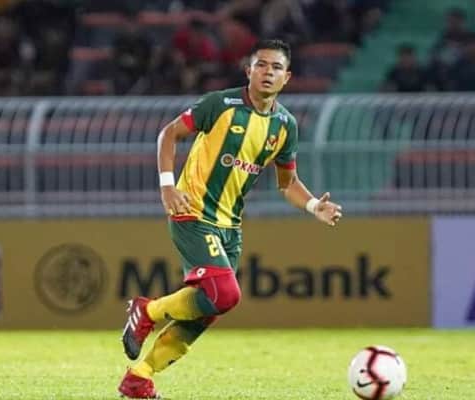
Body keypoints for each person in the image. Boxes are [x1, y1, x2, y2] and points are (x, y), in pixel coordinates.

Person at [117, 39, 343, 399]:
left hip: (230, 226)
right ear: (248, 70)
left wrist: (315, 205)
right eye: (261, 65)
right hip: (192, 210)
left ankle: (139, 377)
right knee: (225, 294)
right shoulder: (220, 105)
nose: (268, 72)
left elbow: (288, 183)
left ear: (287, 77)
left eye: (276, 67)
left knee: (206, 310)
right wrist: (167, 187)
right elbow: (169, 134)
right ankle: (148, 311)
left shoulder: (285, 125)